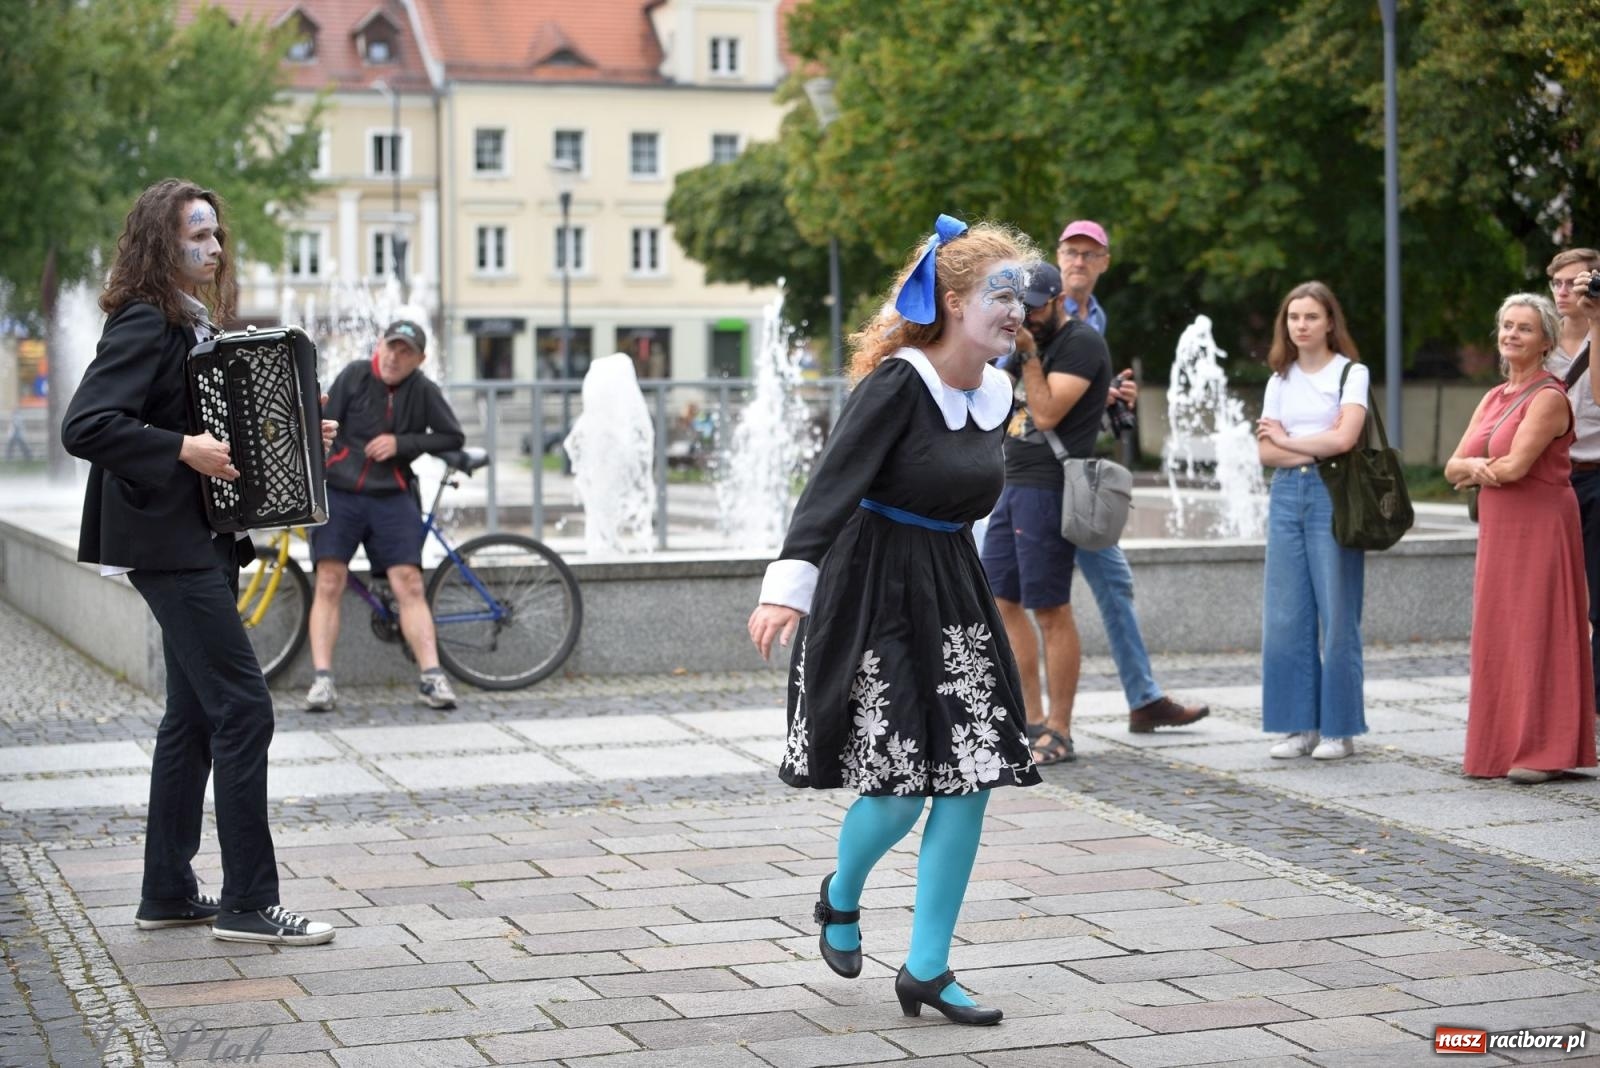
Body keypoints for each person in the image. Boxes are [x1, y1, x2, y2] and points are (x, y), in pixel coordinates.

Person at [749, 215, 1039, 1026]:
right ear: (949, 300)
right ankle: (840, 893)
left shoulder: (997, 392)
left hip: (950, 586)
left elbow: (965, 504)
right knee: (901, 788)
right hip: (873, 583)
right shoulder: (897, 384)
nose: (1015, 309)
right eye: (999, 293)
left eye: (1022, 296)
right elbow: (831, 487)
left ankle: (927, 969)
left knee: (973, 775)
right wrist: (787, 587)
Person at [62, 178, 336, 945]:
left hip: (197, 539)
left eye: (217, 236)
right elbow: (86, 425)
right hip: (168, 546)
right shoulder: (145, 321)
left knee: (190, 718)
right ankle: (249, 904)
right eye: (198, 236)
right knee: (244, 710)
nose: (214, 250)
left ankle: (168, 892)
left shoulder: (188, 322)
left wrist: (303, 431)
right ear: (161, 242)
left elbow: (212, 425)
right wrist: (179, 449)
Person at [1054, 220, 1210, 733]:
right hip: (1034, 476)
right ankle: (1030, 717)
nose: (1079, 261)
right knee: (1011, 597)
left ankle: (1143, 699)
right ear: (1058, 256)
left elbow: (1078, 394)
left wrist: (1109, 397)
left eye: (1089, 254)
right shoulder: (1037, 307)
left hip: (1074, 477)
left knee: (1111, 581)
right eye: (1072, 252)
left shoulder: (1095, 317)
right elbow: (1031, 390)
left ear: (1104, 263)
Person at [1446, 293, 1597, 783]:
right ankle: (1499, 744)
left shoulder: (1550, 396)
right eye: (1506, 326)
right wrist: (1473, 468)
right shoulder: (1494, 397)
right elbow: (1453, 466)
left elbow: (1515, 467)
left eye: (1524, 328)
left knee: (1539, 627)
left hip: (1541, 523)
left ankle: (1544, 748)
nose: (1511, 334)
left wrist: (1474, 468)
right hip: (1500, 527)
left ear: (1546, 341)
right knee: (1499, 630)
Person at [979, 263, 1112, 766]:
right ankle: (1030, 719)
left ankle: (1060, 728)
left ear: (1058, 302)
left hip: (1051, 489)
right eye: (1019, 306)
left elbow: (1050, 411)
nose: (1026, 315)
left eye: (1035, 306)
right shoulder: (1014, 341)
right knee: (1003, 600)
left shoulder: (1080, 344)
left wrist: (1030, 358)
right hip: (1012, 482)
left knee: (1051, 609)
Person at [306, 320, 465, 711]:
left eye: (406, 351)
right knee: (329, 579)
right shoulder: (355, 375)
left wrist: (402, 443)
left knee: (408, 582)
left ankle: (431, 677)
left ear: (420, 359)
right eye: (391, 347)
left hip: (391, 495)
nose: (395, 356)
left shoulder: (424, 390)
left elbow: (452, 437)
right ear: (379, 345)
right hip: (341, 492)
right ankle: (323, 680)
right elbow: (317, 424)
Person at [1253, 281, 1369, 760]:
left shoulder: (1350, 373)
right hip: (1286, 495)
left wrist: (1290, 440)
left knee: (1338, 613)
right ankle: (1299, 726)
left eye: (1310, 317)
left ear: (1329, 322)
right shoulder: (1279, 379)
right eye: (1293, 317)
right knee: (1286, 614)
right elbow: (1264, 451)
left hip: (1332, 492)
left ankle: (1339, 728)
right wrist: (1303, 442)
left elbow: (1344, 440)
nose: (1301, 325)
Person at [1544, 249, 1600, 718]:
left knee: (1598, 602)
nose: (1565, 293)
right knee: (1551, 599)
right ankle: (1558, 701)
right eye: (1557, 284)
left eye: (1575, 283)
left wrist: (1598, 322)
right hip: (1552, 479)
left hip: (1595, 473)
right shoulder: (1541, 341)